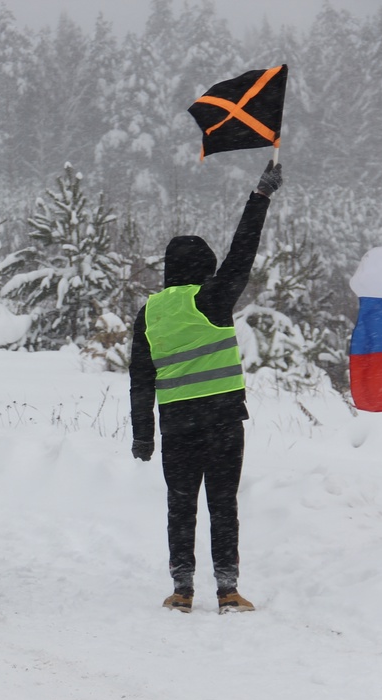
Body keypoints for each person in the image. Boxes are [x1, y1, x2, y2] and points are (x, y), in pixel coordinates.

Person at [128, 160, 283, 614]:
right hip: (221, 425)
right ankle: (228, 591)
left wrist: (143, 434)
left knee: (180, 507)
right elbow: (243, 251)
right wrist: (261, 197)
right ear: (205, 269)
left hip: (177, 425)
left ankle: (181, 590)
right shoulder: (210, 299)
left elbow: (141, 379)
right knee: (222, 506)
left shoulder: (150, 313)